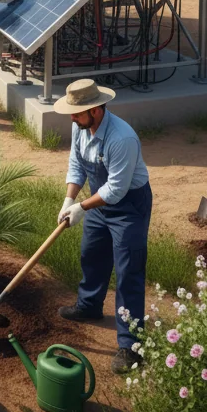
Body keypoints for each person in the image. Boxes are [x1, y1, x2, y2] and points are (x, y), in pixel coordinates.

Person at [53, 79, 151, 375]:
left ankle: (131, 344)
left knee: (128, 271)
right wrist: (69, 198)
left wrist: (81, 207)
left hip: (128, 206)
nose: (72, 117)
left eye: (77, 113)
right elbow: (77, 164)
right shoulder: (80, 127)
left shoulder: (122, 138)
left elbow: (117, 190)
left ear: (95, 111)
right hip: (98, 201)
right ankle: (89, 306)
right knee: (91, 254)